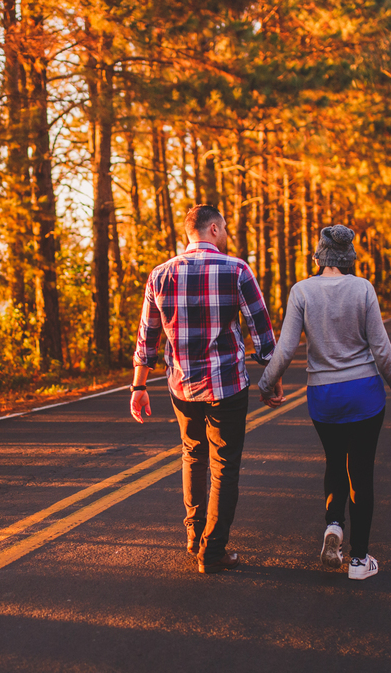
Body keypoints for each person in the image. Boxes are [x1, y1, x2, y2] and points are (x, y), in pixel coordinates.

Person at [257, 225, 391, 581]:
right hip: (364, 395)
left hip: (324, 398)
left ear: (319, 257)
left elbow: (285, 348)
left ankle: (334, 526)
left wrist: (267, 384)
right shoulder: (362, 289)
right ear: (348, 259)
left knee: (334, 461)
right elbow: (381, 349)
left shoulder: (301, 291)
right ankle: (359, 562)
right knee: (360, 472)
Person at [130, 204, 276, 574]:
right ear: (212, 229)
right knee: (224, 466)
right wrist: (271, 377)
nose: (225, 234)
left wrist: (139, 385)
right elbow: (261, 330)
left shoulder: (159, 275)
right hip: (227, 384)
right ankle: (213, 551)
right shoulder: (236, 269)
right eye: (223, 228)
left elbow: (146, 337)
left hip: (182, 385)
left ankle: (195, 537)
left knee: (192, 456)